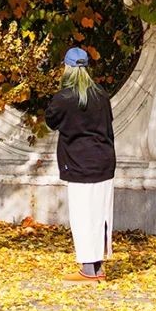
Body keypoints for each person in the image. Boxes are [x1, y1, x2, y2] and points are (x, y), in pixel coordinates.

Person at [44, 47, 115, 281]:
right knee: (101, 214)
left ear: (67, 67)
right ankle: (97, 266)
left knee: (83, 215)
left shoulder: (64, 99)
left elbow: (50, 121)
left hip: (78, 163)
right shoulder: (101, 95)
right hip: (104, 161)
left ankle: (88, 270)